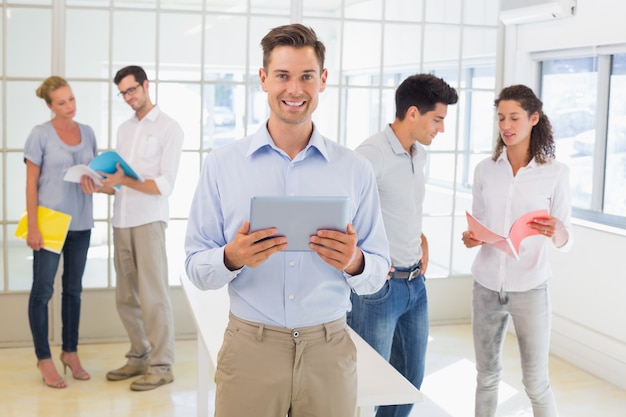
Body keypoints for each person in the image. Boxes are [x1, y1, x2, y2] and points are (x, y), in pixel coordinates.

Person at [184, 23, 390, 417]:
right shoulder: (222, 166)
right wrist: (232, 256)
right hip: (250, 352)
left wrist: (354, 261)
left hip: (328, 351)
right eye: (282, 76)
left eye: (306, 77)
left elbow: (377, 274)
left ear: (323, 80)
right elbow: (196, 268)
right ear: (263, 79)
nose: (294, 90)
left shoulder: (355, 169)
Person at [348, 73, 458, 417]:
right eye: (437, 119)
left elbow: (402, 208)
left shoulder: (418, 154)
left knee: (409, 380)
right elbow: (341, 215)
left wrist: (421, 238)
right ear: (413, 113)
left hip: (415, 285)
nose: (441, 128)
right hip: (379, 289)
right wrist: (366, 261)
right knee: (367, 384)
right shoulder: (370, 154)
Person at [462, 84, 572, 417]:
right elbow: (478, 223)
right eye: (500, 119)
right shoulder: (485, 169)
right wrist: (473, 238)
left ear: (534, 118)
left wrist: (557, 230)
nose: (506, 126)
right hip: (486, 286)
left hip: (531, 289)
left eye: (514, 118)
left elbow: (566, 238)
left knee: (536, 383)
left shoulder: (555, 174)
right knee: (486, 377)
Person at [81, 65, 184, 391]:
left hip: (149, 221)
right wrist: (102, 186)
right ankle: (139, 355)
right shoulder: (125, 130)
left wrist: (124, 179)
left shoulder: (170, 128)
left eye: (132, 90)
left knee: (153, 298)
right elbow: (121, 182)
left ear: (145, 85)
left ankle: (162, 364)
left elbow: (165, 185)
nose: (128, 97)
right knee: (126, 297)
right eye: (123, 93)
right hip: (121, 220)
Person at [24, 75, 97, 388]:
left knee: (73, 291)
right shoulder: (40, 134)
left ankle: (70, 352)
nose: (70, 106)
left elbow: (96, 175)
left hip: (81, 221)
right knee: (42, 291)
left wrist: (94, 182)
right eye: (62, 102)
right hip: (50, 222)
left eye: (72, 99)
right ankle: (44, 359)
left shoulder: (89, 133)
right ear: (50, 105)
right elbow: (30, 183)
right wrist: (33, 227)